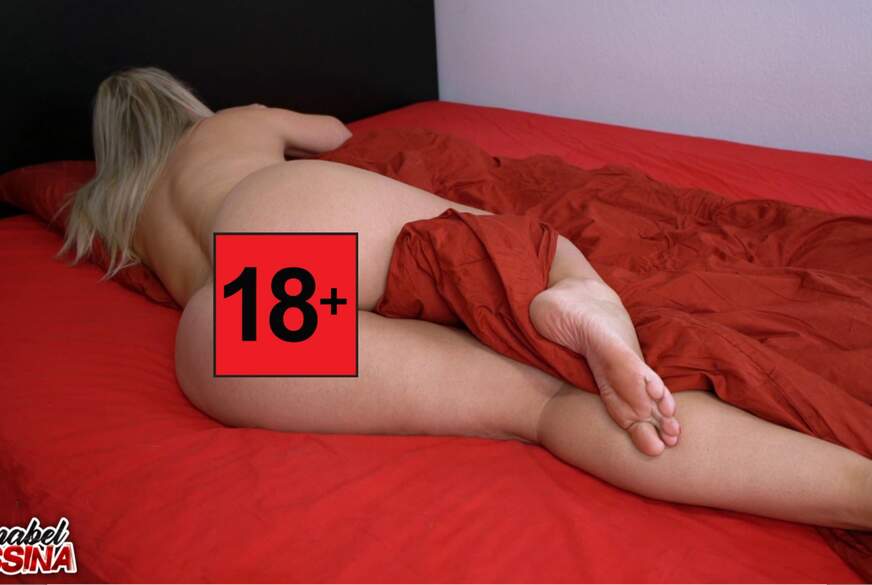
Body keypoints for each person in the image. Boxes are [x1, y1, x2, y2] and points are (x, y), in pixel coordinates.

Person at [61, 67, 870, 531]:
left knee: (540, 405)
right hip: (277, 215)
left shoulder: (108, 210)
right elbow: (335, 132)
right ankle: (576, 287)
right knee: (518, 252)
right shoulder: (231, 125)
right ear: (181, 105)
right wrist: (266, 123)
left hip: (217, 334)